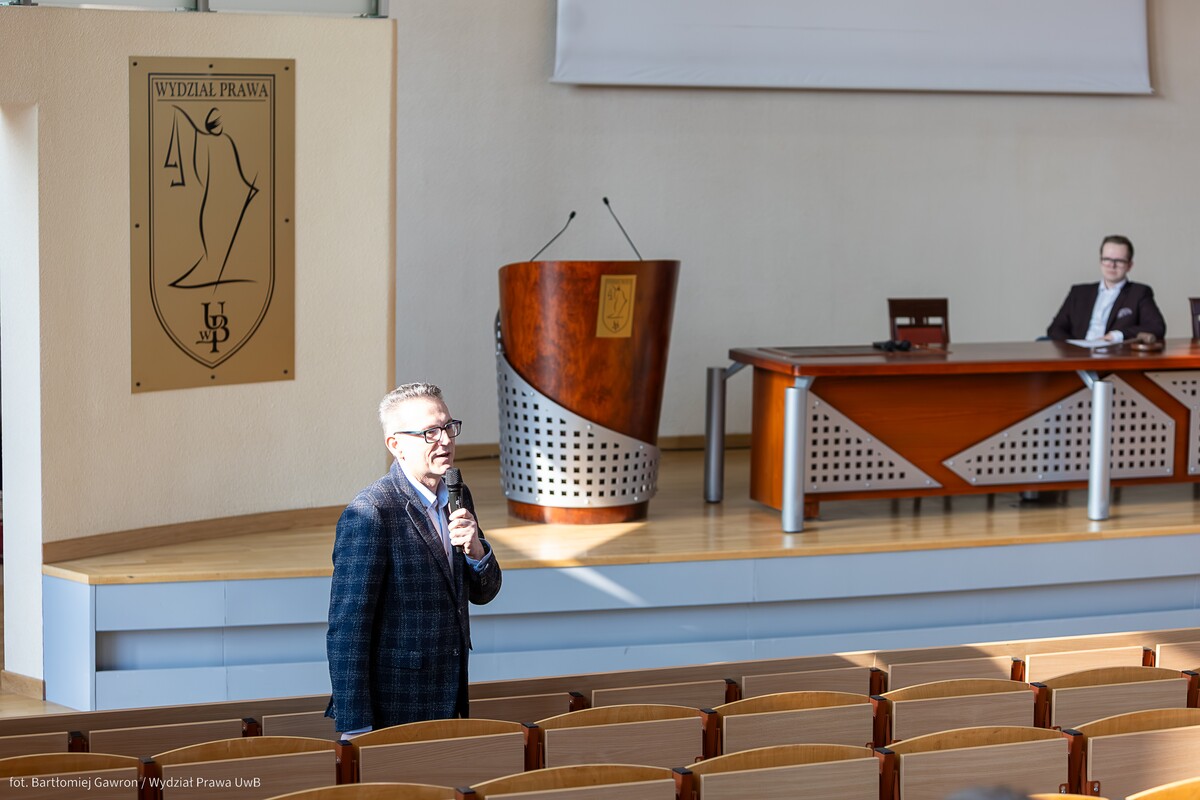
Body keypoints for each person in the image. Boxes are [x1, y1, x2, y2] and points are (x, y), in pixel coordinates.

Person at [325, 382, 502, 738]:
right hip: (395, 704)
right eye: (430, 433)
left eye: (449, 427)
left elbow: (484, 593)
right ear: (396, 445)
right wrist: (356, 726)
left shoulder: (458, 494)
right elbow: (347, 629)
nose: (446, 440)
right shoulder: (371, 512)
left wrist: (476, 552)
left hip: (451, 694)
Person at [1046, 234, 1166, 342]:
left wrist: (1117, 335)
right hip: (1077, 355)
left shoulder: (1139, 293)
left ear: (1129, 265)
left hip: (1114, 356)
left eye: (1119, 261)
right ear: (1100, 261)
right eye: (1107, 259)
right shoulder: (1078, 292)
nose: (1112, 265)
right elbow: (1055, 329)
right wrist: (1075, 349)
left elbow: (1157, 327)